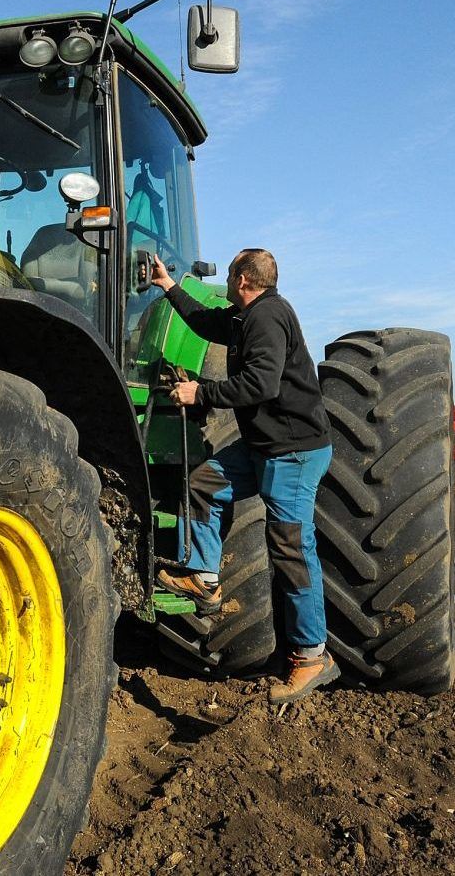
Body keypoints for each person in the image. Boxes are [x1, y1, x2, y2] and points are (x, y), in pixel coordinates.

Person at [150, 250, 339, 703]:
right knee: (205, 482)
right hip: (261, 448)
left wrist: (201, 392)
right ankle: (204, 579)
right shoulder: (243, 316)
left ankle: (313, 655)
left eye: (231, 271)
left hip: (291, 452)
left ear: (241, 278)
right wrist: (169, 287)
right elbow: (206, 323)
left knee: (291, 547)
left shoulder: (269, 316)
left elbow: (262, 384)